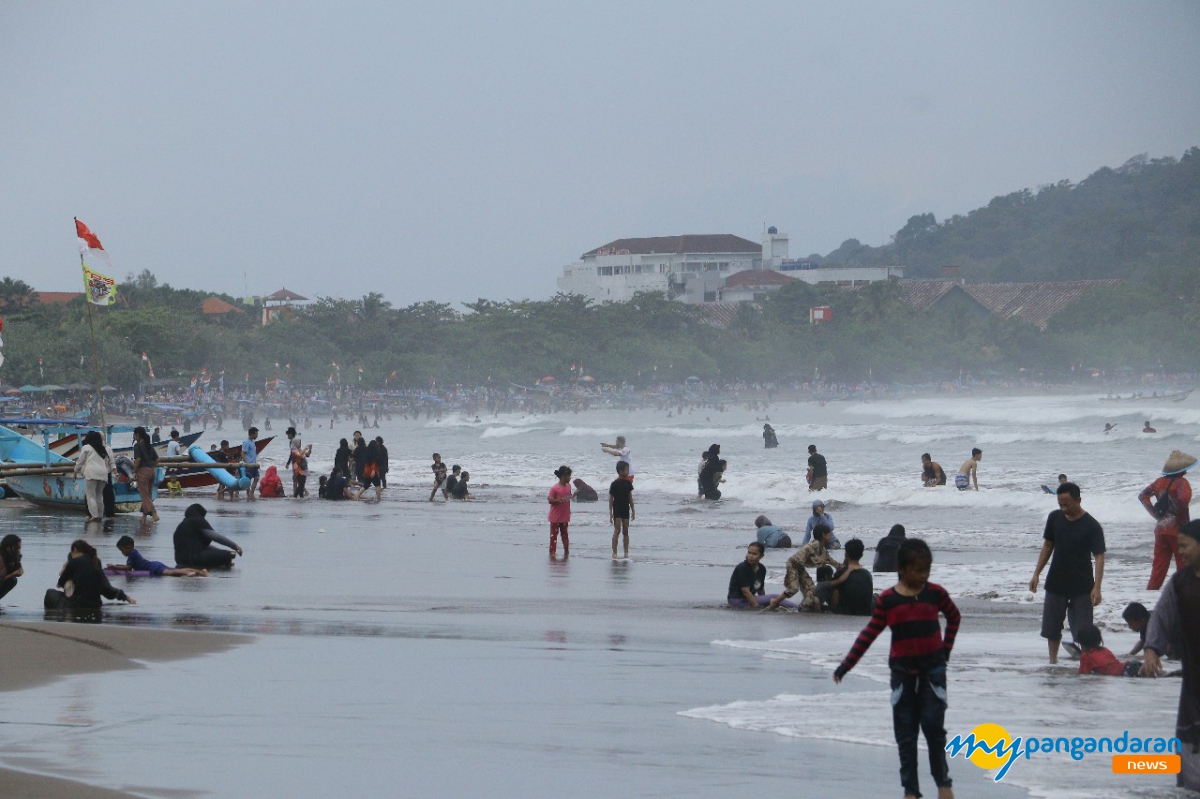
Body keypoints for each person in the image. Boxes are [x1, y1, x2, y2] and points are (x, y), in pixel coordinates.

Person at [833, 539, 960, 799]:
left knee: (934, 727)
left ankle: (943, 783)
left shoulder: (936, 593)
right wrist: (846, 665)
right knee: (906, 735)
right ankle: (911, 791)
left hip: (933, 674)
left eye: (927, 570)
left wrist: (944, 652)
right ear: (901, 568)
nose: (924, 576)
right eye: (918, 570)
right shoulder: (889, 601)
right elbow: (869, 633)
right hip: (902, 675)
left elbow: (954, 617)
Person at [1141, 520, 1200, 791]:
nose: (1181, 552)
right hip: (1195, 682)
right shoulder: (1180, 582)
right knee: (1190, 743)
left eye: (1185, 546)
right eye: (1179, 546)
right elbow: (1160, 617)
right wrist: (1151, 649)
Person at [1029, 481, 1106, 664]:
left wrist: (1097, 587)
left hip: (1082, 584)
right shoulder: (1054, 518)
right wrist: (1036, 573)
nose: (1063, 508)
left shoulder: (1092, 526)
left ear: (1078, 500)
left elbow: (1099, 557)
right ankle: (1053, 662)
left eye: (1067, 504)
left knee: (1083, 630)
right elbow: (1048, 545)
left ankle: (1087, 662)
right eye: (1060, 504)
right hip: (1056, 581)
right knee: (1052, 627)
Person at [1138, 449, 1195, 590]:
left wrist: (1155, 514)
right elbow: (1182, 501)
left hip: (1160, 529)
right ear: (1181, 470)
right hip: (1178, 531)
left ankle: (1148, 598)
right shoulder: (1182, 483)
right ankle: (1184, 596)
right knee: (1183, 566)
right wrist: (1182, 521)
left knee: (1158, 567)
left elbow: (1142, 496)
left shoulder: (1158, 482)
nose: (1186, 472)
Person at [767, 524, 843, 612]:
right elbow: (810, 552)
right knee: (793, 588)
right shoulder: (815, 544)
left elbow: (830, 560)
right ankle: (775, 601)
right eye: (830, 534)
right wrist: (819, 561)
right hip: (793, 564)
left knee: (810, 588)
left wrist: (840, 566)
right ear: (824, 535)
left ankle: (805, 606)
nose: (831, 536)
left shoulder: (822, 549)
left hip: (800, 566)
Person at [57, 540, 136, 608]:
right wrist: (126, 597)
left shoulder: (74, 562)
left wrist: (65, 566)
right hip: (96, 604)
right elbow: (107, 589)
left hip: (77, 604)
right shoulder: (96, 561)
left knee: (50, 593)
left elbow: (60, 583)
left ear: (75, 550)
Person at [173, 504, 243, 569]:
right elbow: (215, 537)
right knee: (228, 556)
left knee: (224, 554)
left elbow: (201, 546)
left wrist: (219, 551)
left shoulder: (183, 524)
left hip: (180, 559)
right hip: (193, 558)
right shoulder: (196, 521)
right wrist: (234, 546)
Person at [727, 542, 794, 609]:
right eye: (749, 553)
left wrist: (765, 602)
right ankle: (798, 608)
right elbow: (745, 591)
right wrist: (757, 607)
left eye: (754, 554)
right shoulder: (742, 567)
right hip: (737, 600)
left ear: (761, 556)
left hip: (749, 599)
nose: (750, 556)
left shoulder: (762, 569)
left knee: (774, 601)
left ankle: (795, 608)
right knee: (775, 597)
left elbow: (760, 589)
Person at [817, 539, 874, 615]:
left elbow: (835, 601)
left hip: (845, 612)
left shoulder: (841, 573)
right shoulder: (867, 574)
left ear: (846, 555)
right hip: (866, 612)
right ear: (862, 555)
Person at [107, 536, 207, 577]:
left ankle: (188, 573)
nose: (122, 552)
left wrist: (114, 567)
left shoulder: (132, 554)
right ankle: (201, 572)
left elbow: (129, 567)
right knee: (170, 569)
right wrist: (118, 565)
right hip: (154, 564)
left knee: (169, 572)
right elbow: (130, 566)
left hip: (152, 568)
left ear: (128, 547)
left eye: (122, 550)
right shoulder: (134, 553)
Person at [73, 430, 115, 521]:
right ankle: (100, 515)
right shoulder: (104, 448)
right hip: (104, 473)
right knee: (99, 495)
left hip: (91, 472)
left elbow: (80, 462)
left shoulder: (86, 447)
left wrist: (75, 471)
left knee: (91, 495)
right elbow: (111, 461)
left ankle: (94, 516)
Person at [1075, 623, 1141, 677]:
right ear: (1099, 639)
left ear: (1080, 641)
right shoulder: (1104, 650)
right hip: (1129, 665)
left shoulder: (1086, 655)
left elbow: (1083, 675)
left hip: (1124, 673)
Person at [132, 426, 160, 522]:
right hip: (152, 471)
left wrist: (134, 471)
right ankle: (144, 517)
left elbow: (138, 459)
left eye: (134, 434)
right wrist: (151, 466)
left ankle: (154, 514)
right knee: (148, 494)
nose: (134, 437)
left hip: (143, 472)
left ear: (138, 435)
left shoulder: (137, 445)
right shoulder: (149, 446)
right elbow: (157, 460)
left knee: (144, 495)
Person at [609, 461, 635, 559]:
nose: (628, 472)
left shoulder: (628, 483)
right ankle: (614, 552)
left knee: (626, 531)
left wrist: (633, 509)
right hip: (617, 508)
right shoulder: (614, 484)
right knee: (617, 530)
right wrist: (611, 513)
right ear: (620, 471)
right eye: (626, 470)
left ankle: (626, 552)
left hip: (625, 508)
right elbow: (611, 499)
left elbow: (630, 497)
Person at [548, 466, 573, 558]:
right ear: (563, 476)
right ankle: (552, 553)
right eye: (568, 476)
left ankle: (566, 552)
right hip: (555, 517)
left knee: (565, 535)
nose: (570, 478)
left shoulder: (569, 486)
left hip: (565, 516)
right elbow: (550, 500)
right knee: (554, 536)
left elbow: (569, 496)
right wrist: (559, 500)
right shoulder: (555, 488)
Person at [0, 534, 23, 600]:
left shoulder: (9, 557)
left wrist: (18, 561)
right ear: (9, 547)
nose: (18, 551)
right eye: (17, 549)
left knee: (12, 580)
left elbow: (20, 571)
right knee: (12, 580)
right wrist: (12, 574)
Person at [242, 427, 261, 499]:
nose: (257, 436)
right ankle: (248, 494)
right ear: (252, 434)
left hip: (254, 464)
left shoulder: (252, 442)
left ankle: (251, 492)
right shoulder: (246, 442)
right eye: (256, 434)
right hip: (249, 464)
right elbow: (243, 453)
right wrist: (247, 462)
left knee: (256, 478)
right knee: (248, 479)